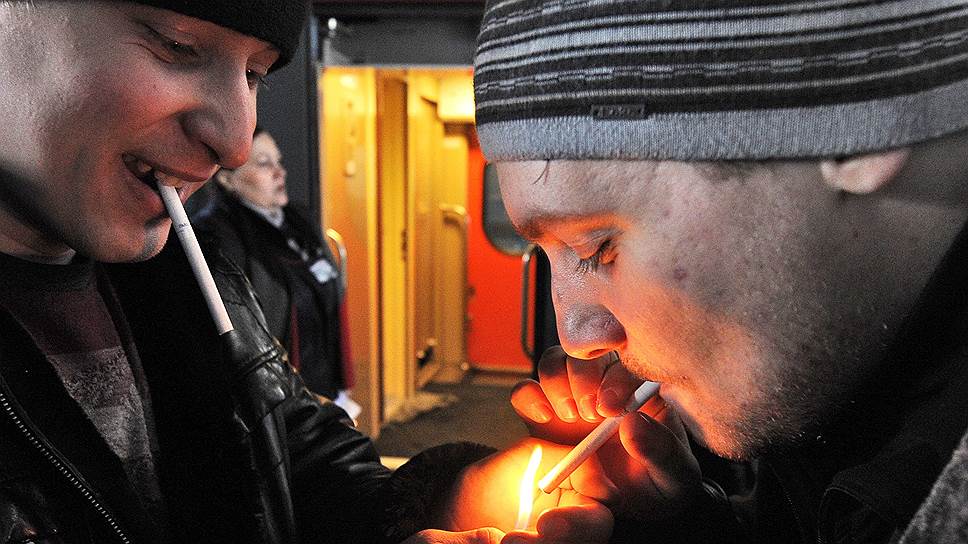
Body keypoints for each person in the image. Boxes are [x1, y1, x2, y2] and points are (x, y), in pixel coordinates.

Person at [0, 1, 612, 542]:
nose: (236, 142)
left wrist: (474, 497)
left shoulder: (193, 281)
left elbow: (303, 472)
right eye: (176, 45)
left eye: (254, 74)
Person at [459, 1, 968, 543]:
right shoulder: (840, 386)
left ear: (860, 124)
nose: (577, 339)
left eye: (598, 246)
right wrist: (675, 526)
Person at [192, 126, 357, 414]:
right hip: (275, 400)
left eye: (278, 162)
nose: (280, 173)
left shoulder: (298, 220)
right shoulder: (218, 235)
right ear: (227, 179)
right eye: (264, 163)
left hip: (323, 383)